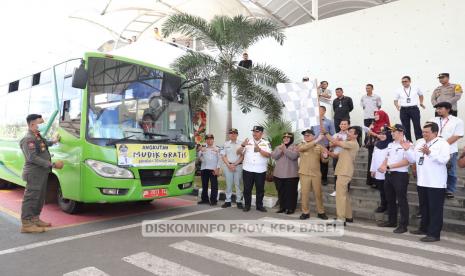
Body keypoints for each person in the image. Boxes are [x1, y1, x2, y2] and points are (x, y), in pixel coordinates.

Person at [406, 122, 450, 242]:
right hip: (422, 181)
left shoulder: (443, 143)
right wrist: (407, 150)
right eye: (423, 131)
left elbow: (444, 160)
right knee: (424, 207)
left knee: (435, 209)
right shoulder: (420, 142)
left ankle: (434, 234)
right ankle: (424, 228)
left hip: (436, 182)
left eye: (427, 132)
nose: (424, 134)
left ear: (435, 133)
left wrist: (430, 153)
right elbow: (412, 159)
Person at [20, 114, 64, 233]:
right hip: (34, 173)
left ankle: (35, 219)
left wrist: (54, 141)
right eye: (40, 123)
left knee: (39, 198)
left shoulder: (37, 136)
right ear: (32, 124)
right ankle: (26, 224)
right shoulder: (28, 139)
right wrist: (53, 165)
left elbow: (43, 144)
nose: (41, 126)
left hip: (41, 173)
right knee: (31, 198)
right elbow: (32, 158)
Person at [377, 124, 412, 234]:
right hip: (389, 174)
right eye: (391, 132)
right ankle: (392, 221)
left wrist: (388, 167)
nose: (391, 133)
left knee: (402, 200)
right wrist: (383, 166)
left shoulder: (408, 144)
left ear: (401, 132)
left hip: (400, 175)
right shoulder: (391, 144)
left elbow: (407, 161)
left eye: (394, 132)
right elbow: (387, 157)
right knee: (390, 199)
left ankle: (403, 225)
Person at [324, 126, 361, 224]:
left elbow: (336, 142)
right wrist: (328, 152)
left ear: (356, 135)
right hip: (342, 171)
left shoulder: (353, 144)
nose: (348, 133)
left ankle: (341, 219)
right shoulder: (348, 145)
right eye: (348, 131)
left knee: (340, 196)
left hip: (345, 172)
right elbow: (336, 155)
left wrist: (325, 133)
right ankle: (348, 217)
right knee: (345, 195)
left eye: (351, 132)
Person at [429, 102, 464, 199]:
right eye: (437, 109)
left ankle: (450, 190)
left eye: (440, 108)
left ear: (448, 109)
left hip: (450, 150)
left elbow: (457, 135)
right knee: (436, 170)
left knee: (451, 171)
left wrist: (443, 145)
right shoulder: (432, 120)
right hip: (435, 150)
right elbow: (427, 133)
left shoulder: (457, 121)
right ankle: (438, 188)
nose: (438, 110)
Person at [237, 126, 271, 212]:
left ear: (261, 133)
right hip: (248, 169)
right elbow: (238, 152)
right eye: (253, 131)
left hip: (260, 170)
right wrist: (242, 145)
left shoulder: (266, 143)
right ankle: (247, 205)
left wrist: (260, 150)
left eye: (257, 131)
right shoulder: (248, 142)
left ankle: (259, 205)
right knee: (247, 188)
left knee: (260, 189)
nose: (254, 133)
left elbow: (268, 155)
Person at [298, 130, 328, 220]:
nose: (306, 137)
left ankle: (321, 212)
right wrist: (317, 140)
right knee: (305, 194)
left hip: (316, 174)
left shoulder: (319, 147)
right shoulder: (301, 145)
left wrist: (326, 157)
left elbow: (324, 161)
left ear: (313, 136)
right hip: (304, 173)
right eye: (305, 135)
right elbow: (301, 149)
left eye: (308, 135)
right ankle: (305, 212)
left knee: (318, 194)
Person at [271, 132, 299, 215]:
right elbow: (274, 156)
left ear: (291, 139)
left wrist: (284, 150)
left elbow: (293, 156)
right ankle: (282, 207)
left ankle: (290, 208)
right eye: (284, 138)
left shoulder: (295, 147)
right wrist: (280, 150)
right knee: (281, 191)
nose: (286, 139)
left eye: (288, 138)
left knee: (291, 192)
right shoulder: (278, 147)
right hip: (278, 174)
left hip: (291, 175)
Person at [394, 76, 425, 142]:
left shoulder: (416, 88)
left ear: (409, 81)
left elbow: (421, 95)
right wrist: (397, 106)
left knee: (417, 126)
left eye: (405, 81)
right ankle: (409, 143)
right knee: (405, 128)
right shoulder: (398, 90)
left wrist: (421, 102)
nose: (404, 83)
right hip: (403, 110)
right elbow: (395, 100)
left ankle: (419, 143)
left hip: (414, 109)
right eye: (402, 82)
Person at [365, 110, 390, 187]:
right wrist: (369, 129)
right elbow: (369, 134)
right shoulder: (373, 123)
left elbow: (383, 136)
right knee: (371, 161)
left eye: (377, 115)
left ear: (381, 115)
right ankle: (371, 180)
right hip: (372, 145)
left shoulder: (385, 125)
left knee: (378, 162)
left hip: (380, 147)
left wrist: (372, 133)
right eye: (375, 115)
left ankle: (377, 182)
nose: (375, 116)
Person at [311, 106, 336, 185]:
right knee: (314, 162)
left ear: (324, 111)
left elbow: (333, 134)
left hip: (325, 145)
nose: (318, 111)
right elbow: (311, 133)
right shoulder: (313, 121)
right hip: (315, 145)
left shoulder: (329, 122)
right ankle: (315, 178)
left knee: (324, 163)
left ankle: (324, 179)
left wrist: (331, 144)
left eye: (320, 110)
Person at [370, 128, 393, 213]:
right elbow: (373, 158)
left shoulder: (391, 145)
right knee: (381, 190)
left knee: (388, 191)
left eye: (384, 134)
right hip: (378, 171)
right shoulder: (377, 144)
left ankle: (390, 207)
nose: (382, 135)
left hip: (387, 171)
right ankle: (383, 205)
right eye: (380, 134)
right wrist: (372, 170)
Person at [221, 128, 244, 209]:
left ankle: (239, 201)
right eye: (231, 133)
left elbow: (242, 156)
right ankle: (228, 201)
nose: (233, 134)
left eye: (234, 133)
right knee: (228, 184)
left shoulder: (241, 144)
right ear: (229, 135)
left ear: (237, 134)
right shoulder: (226, 144)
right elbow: (223, 156)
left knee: (238, 184)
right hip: (228, 167)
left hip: (238, 166)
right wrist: (229, 165)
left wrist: (234, 164)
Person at [328, 119, 350, 197]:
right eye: (341, 124)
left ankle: (346, 190)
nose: (343, 125)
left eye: (345, 124)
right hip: (336, 156)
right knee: (336, 173)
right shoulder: (335, 135)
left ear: (348, 125)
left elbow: (350, 146)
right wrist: (336, 141)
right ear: (339, 125)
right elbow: (330, 145)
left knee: (345, 174)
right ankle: (336, 189)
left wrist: (339, 143)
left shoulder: (350, 135)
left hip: (346, 157)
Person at [197, 134, 221, 206]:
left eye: (211, 139)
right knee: (204, 185)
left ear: (213, 140)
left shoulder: (217, 148)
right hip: (204, 168)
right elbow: (199, 157)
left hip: (213, 169)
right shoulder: (203, 148)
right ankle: (205, 199)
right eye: (207, 139)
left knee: (214, 185)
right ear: (206, 140)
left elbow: (219, 159)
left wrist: (217, 169)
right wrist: (200, 151)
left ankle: (213, 200)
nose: (209, 140)